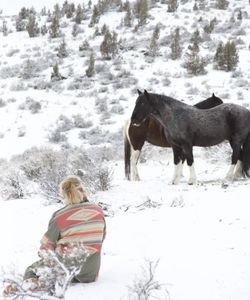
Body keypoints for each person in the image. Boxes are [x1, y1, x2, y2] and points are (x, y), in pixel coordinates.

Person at [3, 175, 106, 296]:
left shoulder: (59, 216)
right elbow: (102, 238)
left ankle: (33, 282)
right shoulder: (98, 211)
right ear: (83, 190)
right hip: (90, 273)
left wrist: (44, 257)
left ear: (64, 195)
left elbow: (47, 246)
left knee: (31, 270)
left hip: (65, 266)